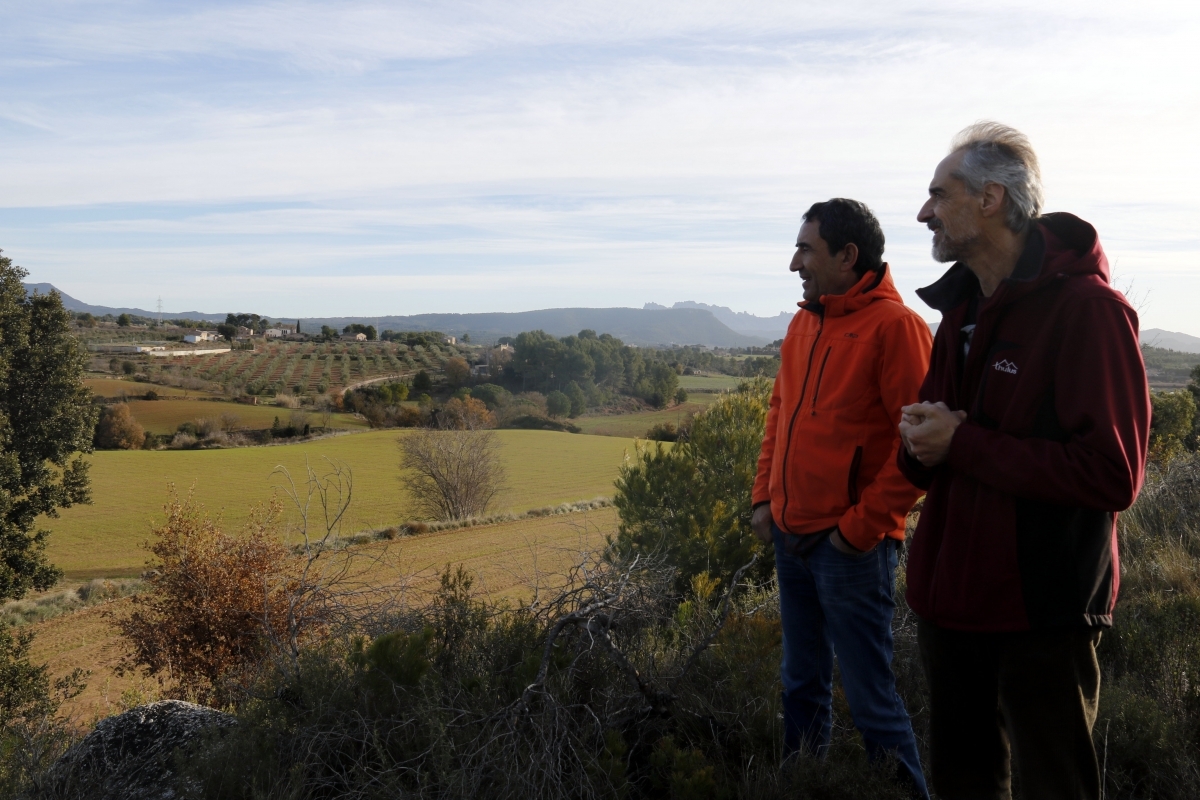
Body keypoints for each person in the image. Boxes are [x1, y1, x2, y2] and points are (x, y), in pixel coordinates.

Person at [898, 122, 1151, 800]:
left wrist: (962, 442)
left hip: (1042, 610)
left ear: (989, 198)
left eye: (937, 194)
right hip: (950, 604)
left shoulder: (1090, 312)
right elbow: (938, 446)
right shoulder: (959, 312)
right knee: (963, 785)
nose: (924, 212)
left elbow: (1112, 474)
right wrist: (918, 441)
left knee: (1054, 788)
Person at [751, 198, 932, 797]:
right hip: (791, 535)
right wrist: (763, 500)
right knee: (800, 685)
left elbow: (918, 450)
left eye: (807, 248)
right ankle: (801, 784)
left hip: (850, 550)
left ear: (848, 255)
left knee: (871, 700)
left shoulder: (896, 328)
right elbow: (780, 412)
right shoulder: (805, 320)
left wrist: (858, 530)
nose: (795, 262)